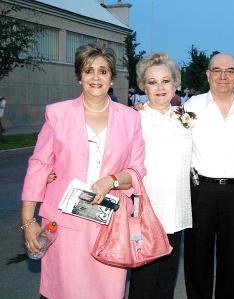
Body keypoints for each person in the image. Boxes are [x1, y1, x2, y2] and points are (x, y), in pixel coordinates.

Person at [20, 43, 146, 299]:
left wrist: (111, 181)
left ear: (112, 77)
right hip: (64, 222)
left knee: (106, 292)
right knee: (66, 290)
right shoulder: (58, 114)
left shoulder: (130, 118)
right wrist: (27, 220)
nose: (96, 77)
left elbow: (136, 169)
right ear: (79, 76)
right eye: (89, 71)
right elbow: (40, 165)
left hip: (109, 222)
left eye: (103, 71)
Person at [183, 53, 234, 299]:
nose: (223, 76)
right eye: (217, 70)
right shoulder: (191, 106)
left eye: (229, 70)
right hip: (200, 190)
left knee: (231, 255)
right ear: (208, 74)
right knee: (197, 255)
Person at [128, 53, 192, 299]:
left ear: (175, 84)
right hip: (145, 212)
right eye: (152, 82)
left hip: (175, 213)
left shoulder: (185, 118)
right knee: (144, 282)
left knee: (166, 281)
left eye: (166, 81)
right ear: (143, 86)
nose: (160, 87)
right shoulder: (134, 118)